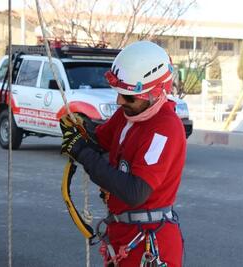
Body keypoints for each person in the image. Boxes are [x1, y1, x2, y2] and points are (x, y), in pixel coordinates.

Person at [60, 41, 187, 267]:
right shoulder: (128, 115)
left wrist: (81, 151)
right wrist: (79, 129)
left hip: (147, 245)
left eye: (128, 97)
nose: (120, 101)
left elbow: (135, 191)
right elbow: (100, 140)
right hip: (124, 237)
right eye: (119, 93)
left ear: (156, 93)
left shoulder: (165, 129)